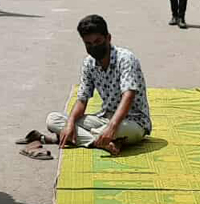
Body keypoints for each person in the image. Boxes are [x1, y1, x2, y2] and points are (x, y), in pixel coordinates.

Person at [18, 14, 152, 160]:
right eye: (88, 44)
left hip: (132, 123)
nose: (94, 47)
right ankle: (99, 142)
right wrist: (70, 124)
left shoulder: (126, 58)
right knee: (53, 119)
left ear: (108, 38)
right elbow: (82, 99)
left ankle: (95, 137)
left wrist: (111, 128)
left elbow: (129, 96)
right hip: (105, 117)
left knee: (109, 129)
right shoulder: (89, 63)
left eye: (98, 41)